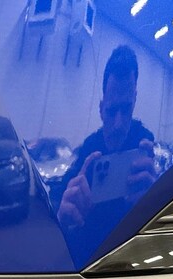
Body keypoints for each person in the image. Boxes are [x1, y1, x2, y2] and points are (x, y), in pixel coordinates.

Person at [57, 45, 156, 229]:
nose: (118, 124)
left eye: (126, 109)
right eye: (111, 110)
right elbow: (61, 196)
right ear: (101, 109)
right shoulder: (89, 147)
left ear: (134, 100)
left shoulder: (144, 142)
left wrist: (156, 199)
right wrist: (63, 211)